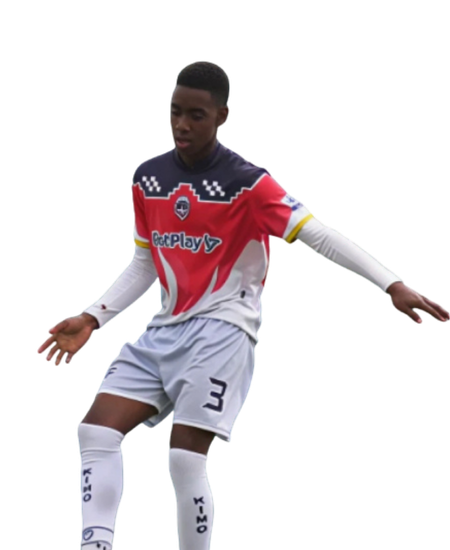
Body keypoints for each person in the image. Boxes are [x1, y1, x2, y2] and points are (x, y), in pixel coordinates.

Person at [36, 60, 450, 550]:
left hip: (224, 331)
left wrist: (391, 284)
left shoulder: (249, 183)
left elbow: (318, 235)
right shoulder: (148, 178)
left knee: (185, 457)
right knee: (95, 433)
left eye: (196, 115)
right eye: (175, 112)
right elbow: (146, 262)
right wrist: (93, 316)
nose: (182, 124)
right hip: (166, 328)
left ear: (222, 115)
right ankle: (95, 547)